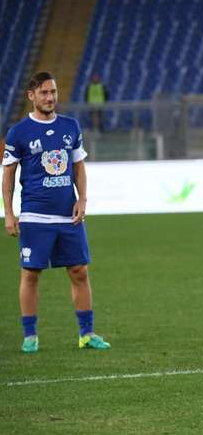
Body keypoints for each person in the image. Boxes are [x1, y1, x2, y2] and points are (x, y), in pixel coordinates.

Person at [2, 72, 110, 353]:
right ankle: (30, 336)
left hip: (68, 215)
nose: (50, 98)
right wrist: (10, 214)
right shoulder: (18, 133)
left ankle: (87, 334)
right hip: (35, 216)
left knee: (79, 272)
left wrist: (82, 199)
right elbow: (8, 176)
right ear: (32, 96)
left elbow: (78, 167)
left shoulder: (70, 126)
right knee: (30, 274)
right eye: (44, 93)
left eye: (53, 92)